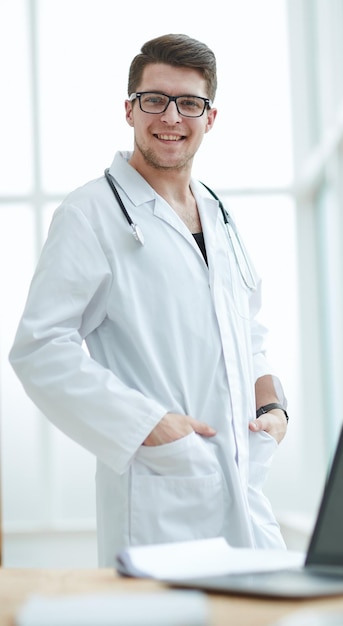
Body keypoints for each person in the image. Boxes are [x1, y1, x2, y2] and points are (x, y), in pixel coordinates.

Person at [9, 33, 289, 566]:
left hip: (244, 482)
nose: (170, 117)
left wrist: (272, 405)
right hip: (161, 493)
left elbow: (247, 332)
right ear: (129, 109)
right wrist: (149, 426)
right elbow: (40, 349)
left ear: (210, 118)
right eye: (154, 100)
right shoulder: (89, 213)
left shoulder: (219, 215)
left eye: (189, 103)